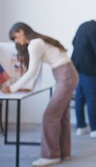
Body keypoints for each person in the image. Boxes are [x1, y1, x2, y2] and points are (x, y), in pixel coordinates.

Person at [2, 22, 78, 166]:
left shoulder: (35, 44)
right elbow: (35, 72)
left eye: (15, 37)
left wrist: (12, 88)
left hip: (65, 75)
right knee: (61, 116)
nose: (16, 42)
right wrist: (28, 87)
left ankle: (51, 156)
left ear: (21, 31)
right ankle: (64, 153)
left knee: (50, 116)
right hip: (67, 74)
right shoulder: (39, 41)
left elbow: (31, 71)